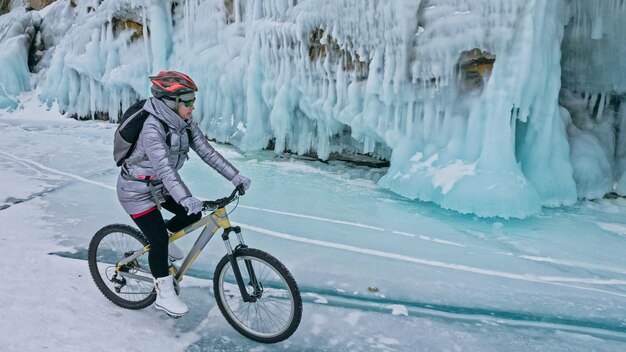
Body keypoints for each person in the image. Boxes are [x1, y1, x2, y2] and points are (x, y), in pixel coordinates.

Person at [116, 70, 251, 317]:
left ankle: (164, 238)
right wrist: (185, 198)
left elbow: (207, 152)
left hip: (160, 187)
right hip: (136, 191)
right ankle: (164, 293)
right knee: (157, 241)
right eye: (187, 101)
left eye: (193, 100)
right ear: (170, 102)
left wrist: (235, 175)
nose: (192, 106)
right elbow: (165, 169)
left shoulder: (185, 124)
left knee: (192, 215)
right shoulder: (152, 129)